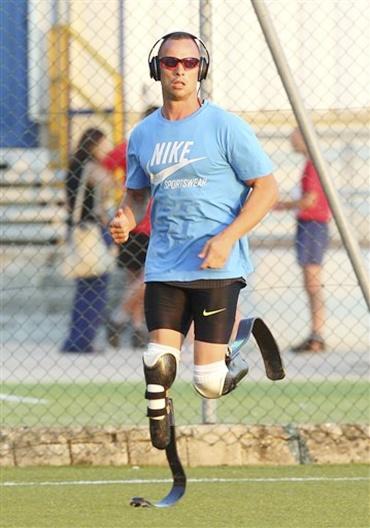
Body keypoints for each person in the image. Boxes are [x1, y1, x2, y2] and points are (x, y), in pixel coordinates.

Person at [110, 31, 278, 450]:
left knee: (209, 384)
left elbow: (267, 188)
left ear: (200, 69)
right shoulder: (144, 134)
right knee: (158, 362)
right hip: (165, 263)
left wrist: (228, 237)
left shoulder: (226, 126)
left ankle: (240, 336)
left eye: (188, 63)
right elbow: (136, 193)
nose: (180, 70)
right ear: (157, 69)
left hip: (216, 265)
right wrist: (125, 218)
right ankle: (159, 413)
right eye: (170, 63)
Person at [103, 106, 159, 349]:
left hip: (139, 222)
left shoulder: (132, 146)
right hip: (138, 222)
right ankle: (128, 322)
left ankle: (131, 324)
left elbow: (105, 165)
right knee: (141, 279)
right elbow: (104, 167)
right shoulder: (139, 146)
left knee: (141, 279)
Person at [275, 127, 331, 352]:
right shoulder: (310, 164)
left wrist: (281, 205)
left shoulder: (313, 165)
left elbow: (310, 200)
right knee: (310, 282)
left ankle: (317, 335)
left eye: (295, 135)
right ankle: (315, 333)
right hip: (309, 226)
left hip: (313, 225)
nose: (291, 139)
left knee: (313, 281)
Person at [61, 128, 112, 353]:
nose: (106, 149)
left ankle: (76, 338)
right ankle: (84, 339)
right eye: (103, 145)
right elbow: (110, 184)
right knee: (96, 289)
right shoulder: (91, 167)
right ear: (94, 145)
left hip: (77, 229)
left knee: (83, 289)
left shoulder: (73, 167)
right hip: (92, 231)